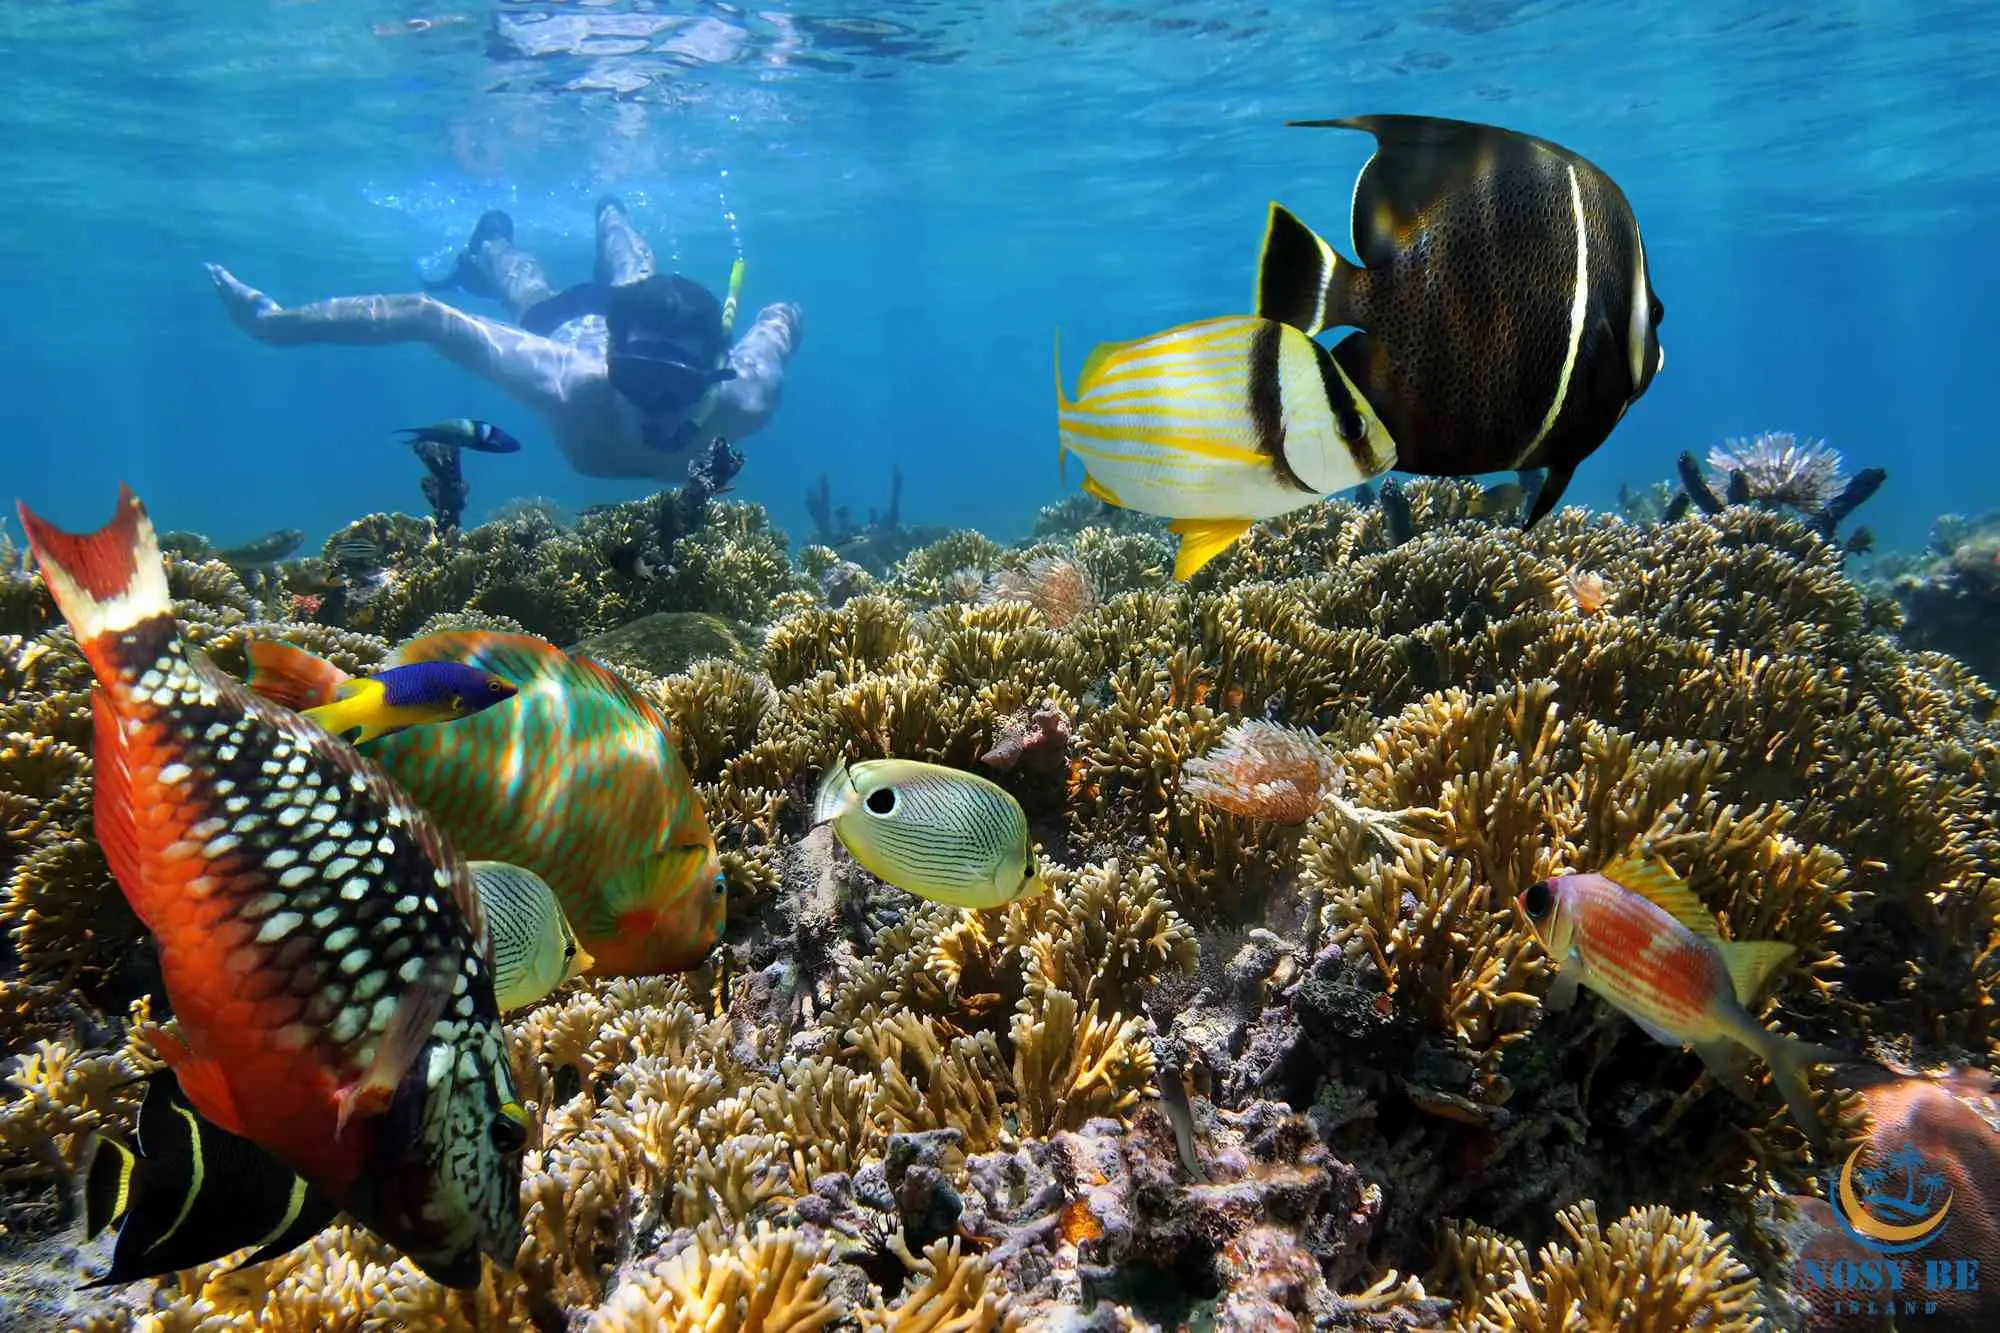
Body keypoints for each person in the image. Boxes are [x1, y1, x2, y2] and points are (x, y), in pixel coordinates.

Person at [205, 198, 802, 481]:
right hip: (575, 330)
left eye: (679, 383)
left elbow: (780, 319)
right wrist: (275, 327)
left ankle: (609, 217)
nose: (659, 404)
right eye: (641, 378)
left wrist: (785, 315)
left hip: (649, 333)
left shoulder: (746, 398)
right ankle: (506, 240)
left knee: (637, 280)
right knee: (535, 300)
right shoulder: (567, 381)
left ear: (715, 373)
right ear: (612, 362)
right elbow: (423, 315)